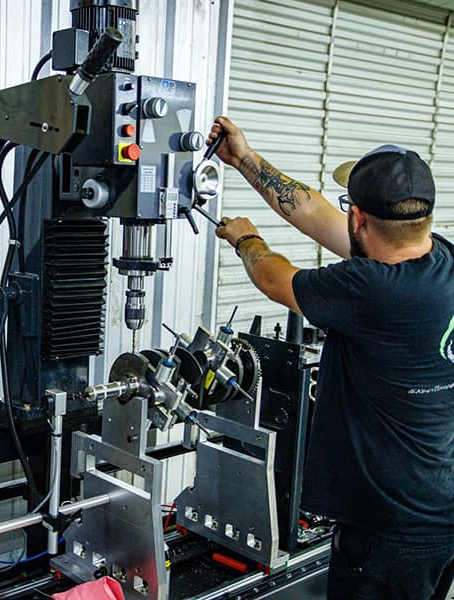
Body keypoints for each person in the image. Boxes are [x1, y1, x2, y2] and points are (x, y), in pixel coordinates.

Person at [206, 116, 454, 600]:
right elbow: (318, 215)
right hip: (438, 510)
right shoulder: (439, 258)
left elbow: (275, 279)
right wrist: (245, 160)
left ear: (359, 218)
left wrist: (245, 239)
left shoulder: (369, 290)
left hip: (386, 529)